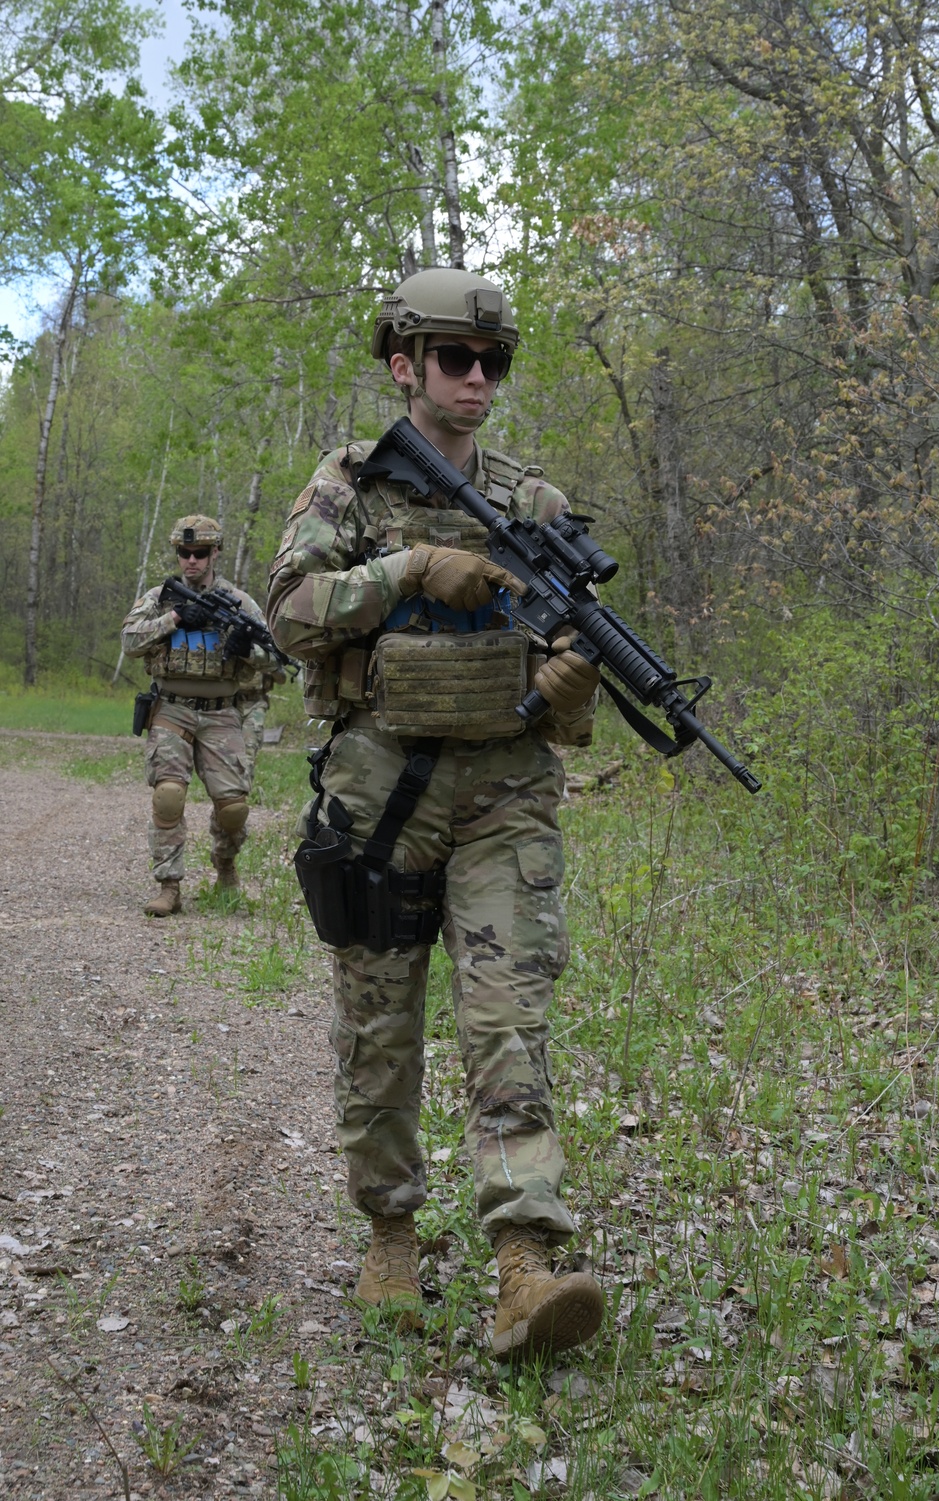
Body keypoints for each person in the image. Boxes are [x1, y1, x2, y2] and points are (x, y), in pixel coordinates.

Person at [266, 269, 605, 1358]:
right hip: (380, 792)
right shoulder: (350, 489)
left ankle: (524, 1259)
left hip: (505, 794)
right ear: (403, 363)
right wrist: (410, 565)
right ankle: (391, 1231)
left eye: (492, 360)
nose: (475, 377)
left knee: (509, 1022)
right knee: (380, 1027)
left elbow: (576, 663)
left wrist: (572, 688)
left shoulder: (533, 506)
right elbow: (290, 615)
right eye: (454, 357)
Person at [121, 514, 272, 917]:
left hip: (222, 713)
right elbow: (129, 640)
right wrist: (173, 619)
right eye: (184, 553)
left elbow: (272, 658)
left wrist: (244, 648)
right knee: (168, 795)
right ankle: (169, 886)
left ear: (215, 553)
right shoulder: (159, 598)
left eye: (199, 553)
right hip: (172, 707)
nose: (191, 560)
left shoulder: (239, 602)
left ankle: (225, 866)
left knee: (233, 806)